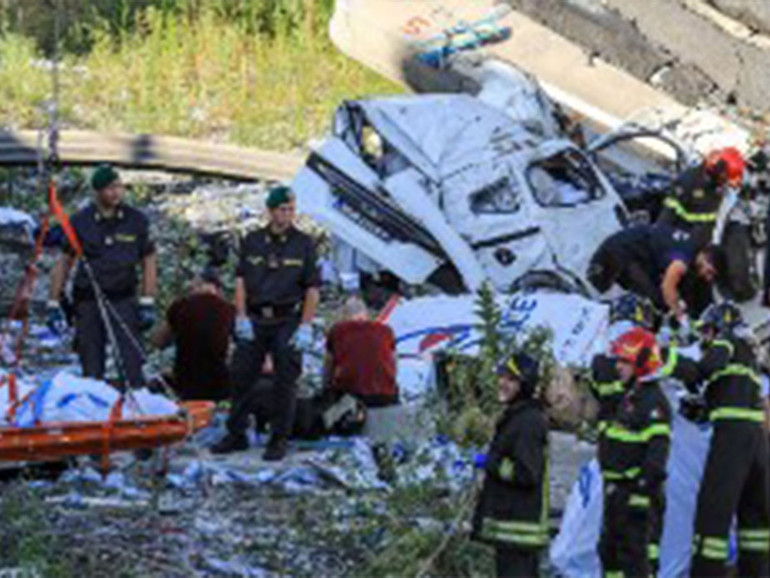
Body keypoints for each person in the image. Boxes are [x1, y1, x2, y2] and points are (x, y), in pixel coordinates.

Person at [211, 185, 320, 461]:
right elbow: (240, 281)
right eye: (283, 209)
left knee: (286, 379)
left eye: (291, 209)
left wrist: (306, 324)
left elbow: (312, 288)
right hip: (257, 316)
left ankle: (279, 437)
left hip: (288, 317)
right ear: (271, 212)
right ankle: (236, 433)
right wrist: (241, 316)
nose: (288, 214)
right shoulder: (253, 241)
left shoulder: (304, 243)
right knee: (241, 375)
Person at [669, 302, 770, 577]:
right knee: (754, 515)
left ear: (721, 327)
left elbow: (704, 369)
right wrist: (702, 406)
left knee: (713, 511)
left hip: (732, 440)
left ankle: (706, 572)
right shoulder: (749, 356)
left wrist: (664, 359)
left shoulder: (727, 342)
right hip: (756, 441)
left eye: (708, 331)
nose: (705, 338)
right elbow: (727, 395)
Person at [47, 164, 157, 387]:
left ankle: (136, 404)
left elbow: (149, 261)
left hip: (123, 298)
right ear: (97, 192)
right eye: (109, 188)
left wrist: (148, 300)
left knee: (131, 360)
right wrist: (53, 302)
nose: (116, 192)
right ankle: (95, 409)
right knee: (91, 362)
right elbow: (64, 263)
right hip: (88, 300)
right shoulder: (80, 221)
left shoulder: (136, 221)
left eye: (119, 186)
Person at [590, 294, 665, 576]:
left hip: (619, 465)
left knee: (616, 548)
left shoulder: (602, 350)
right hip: (630, 470)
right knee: (635, 547)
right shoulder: (638, 345)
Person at [472, 352, 549, 578]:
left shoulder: (528, 421)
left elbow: (527, 473)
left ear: (525, 384)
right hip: (511, 529)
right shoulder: (518, 415)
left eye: (511, 379)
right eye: (502, 377)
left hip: (519, 530)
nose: (502, 383)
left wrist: (491, 463)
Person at [588, 223, 724, 322]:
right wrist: (679, 313)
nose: (707, 276)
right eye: (709, 271)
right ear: (705, 257)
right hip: (622, 252)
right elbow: (667, 287)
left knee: (658, 297)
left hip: (640, 255)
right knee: (656, 300)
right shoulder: (682, 261)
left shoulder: (693, 248)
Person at [150, 267, 235, 401]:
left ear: (197, 283)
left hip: (185, 385)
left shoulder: (180, 306)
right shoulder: (229, 310)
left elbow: (157, 341)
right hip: (220, 385)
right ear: (218, 289)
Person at [658, 147, 745, 249]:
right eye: (724, 179)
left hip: (702, 244)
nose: (725, 184)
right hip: (680, 242)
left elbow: (714, 221)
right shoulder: (688, 181)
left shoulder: (717, 187)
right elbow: (667, 216)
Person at [324, 296, 398, 407]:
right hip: (386, 394)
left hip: (350, 395)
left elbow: (328, 365)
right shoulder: (386, 331)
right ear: (367, 314)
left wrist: (326, 386)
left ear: (344, 315)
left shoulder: (338, 330)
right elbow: (394, 363)